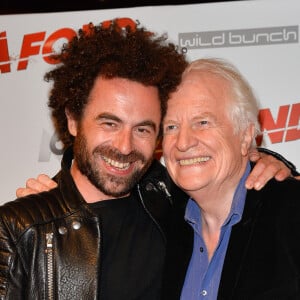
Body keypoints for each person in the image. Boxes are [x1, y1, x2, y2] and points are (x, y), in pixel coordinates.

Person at [1, 20, 297, 299]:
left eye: (143, 128)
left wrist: (266, 161)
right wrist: (36, 217)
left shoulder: (166, 206)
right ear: (73, 121)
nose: (125, 146)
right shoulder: (23, 230)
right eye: (109, 123)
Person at [161, 58, 300, 299]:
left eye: (202, 122)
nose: (183, 143)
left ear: (246, 136)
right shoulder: (160, 227)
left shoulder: (292, 213)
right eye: (171, 127)